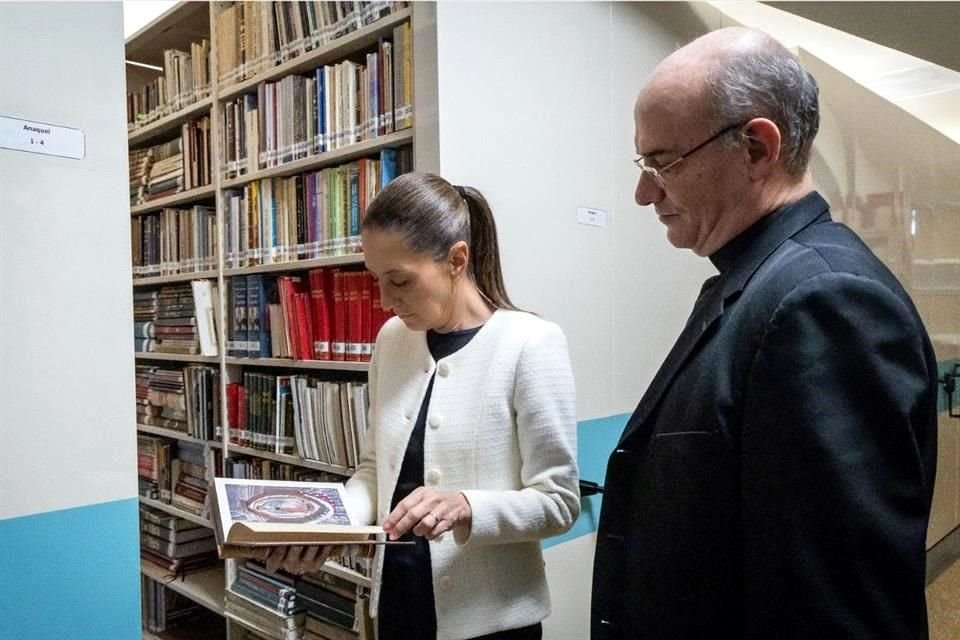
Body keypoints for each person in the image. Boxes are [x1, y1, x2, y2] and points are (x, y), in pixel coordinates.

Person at [591, 27, 938, 639]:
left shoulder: (824, 302)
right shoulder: (757, 282)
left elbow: (837, 612)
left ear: (755, 148)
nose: (644, 193)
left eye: (662, 162)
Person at [270, 172, 580, 640]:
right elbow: (375, 471)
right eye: (376, 280)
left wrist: (466, 506)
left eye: (399, 281)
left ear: (457, 260)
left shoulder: (530, 344)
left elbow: (558, 502)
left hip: (491, 624)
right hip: (396, 607)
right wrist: (334, 526)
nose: (384, 300)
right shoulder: (392, 341)